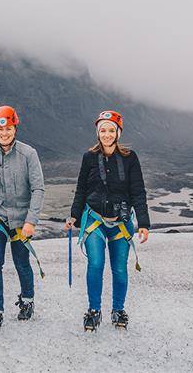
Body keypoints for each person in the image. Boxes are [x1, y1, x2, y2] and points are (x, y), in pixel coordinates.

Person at [65, 110, 150, 331]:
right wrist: (74, 215)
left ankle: (118, 309)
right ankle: (94, 310)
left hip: (120, 223)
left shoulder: (130, 158)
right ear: (98, 133)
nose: (107, 134)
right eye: (103, 130)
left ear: (118, 133)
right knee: (95, 264)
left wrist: (143, 223)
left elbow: (138, 191)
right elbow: (81, 188)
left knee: (119, 268)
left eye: (111, 130)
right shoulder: (89, 158)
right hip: (94, 220)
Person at [0, 105, 45, 330]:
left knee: (22, 262)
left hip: (22, 219)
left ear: (15, 128)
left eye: (9, 128)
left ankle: (28, 300)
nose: (5, 133)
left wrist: (31, 221)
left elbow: (38, 189)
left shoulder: (29, 154)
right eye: (0, 129)